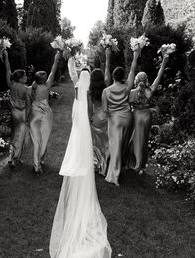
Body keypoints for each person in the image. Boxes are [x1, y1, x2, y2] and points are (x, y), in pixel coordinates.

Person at [49, 58, 112, 258]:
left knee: (76, 147)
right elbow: (88, 112)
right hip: (85, 127)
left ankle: (77, 163)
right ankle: (87, 166)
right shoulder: (87, 92)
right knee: (86, 150)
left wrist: (69, 61)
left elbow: (76, 110)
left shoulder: (77, 90)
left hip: (77, 127)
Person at [102, 48, 140, 186]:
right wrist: (135, 56)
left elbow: (105, 110)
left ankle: (114, 175)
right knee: (122, 144)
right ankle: (120, 166)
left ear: (113, 76)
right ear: (122, 77)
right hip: (128, 118)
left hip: (116, 120)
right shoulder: (127, 87)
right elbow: (132, 71)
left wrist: (112, 114)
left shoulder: (106, 91)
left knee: (115, 147)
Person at [128, 54, 169, 174]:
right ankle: (141, 165)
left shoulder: (131, 92)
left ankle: (133, 162)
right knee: (144, 140)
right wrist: (164, 63)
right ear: (146, 80)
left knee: (134, 138)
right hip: (146, 116)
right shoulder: (150, 91)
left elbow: (127, 105)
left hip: (135, 115)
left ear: (136, 80)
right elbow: (159, 76)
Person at [28, 52, 60, 175]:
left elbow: (29, 98)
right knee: (44, 139)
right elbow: (53, 70)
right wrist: (56, 59)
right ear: (44, 79)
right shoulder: (47, 86)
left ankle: (37, 165)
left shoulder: (33, 86)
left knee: (36, 141)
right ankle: (40, 160)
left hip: (34, 115)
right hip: (46, 115)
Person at [3, 50, 30, 169]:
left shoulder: (11, 84)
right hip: (23, 113)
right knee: (21, 136)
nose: (26, 77)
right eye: (24, 76)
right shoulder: (26, 89)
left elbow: (8, 70)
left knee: (14, 134)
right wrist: (28, 117)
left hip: (14, 112)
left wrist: (6, 56)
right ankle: (15, 159)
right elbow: (29, 105)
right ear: (20, 78)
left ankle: (12, 157)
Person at [88, 48, 111, 176]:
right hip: (106, 117)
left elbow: (89, 109)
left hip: (95, 118)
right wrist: (107, 57)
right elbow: (107, 70)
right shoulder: (106, 85)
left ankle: (97, 165)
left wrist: (89, 119)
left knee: (96, 143)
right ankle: (106, 166)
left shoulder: (90, 91)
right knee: (106, 142)